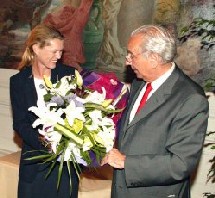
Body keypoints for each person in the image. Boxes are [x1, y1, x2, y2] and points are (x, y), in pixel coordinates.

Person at [101, 25, 209, 198]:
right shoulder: (139, 82)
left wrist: (126, 163)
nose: (127, 61)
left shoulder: (190, 98)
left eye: (132, 55)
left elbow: (181, 164)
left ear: (153, 58)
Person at [10, 24, 79, 198]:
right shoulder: (18, 81)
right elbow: (20, 123)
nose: (59, 56)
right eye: (54, 51)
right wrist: (45, 142)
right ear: (36, 48)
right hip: (34, 166)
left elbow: (78, 115)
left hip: (64, 168)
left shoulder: (69, 75)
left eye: (61, 51)